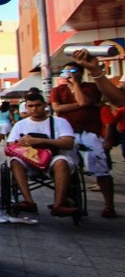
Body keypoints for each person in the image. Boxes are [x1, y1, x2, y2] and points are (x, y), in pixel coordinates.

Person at [50, 61, 115, 218]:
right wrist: (81, 104)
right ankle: (66, 199)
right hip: (67, 133)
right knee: (66, 165)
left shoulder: (91, 88)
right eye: (65, 71)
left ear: (80, 72)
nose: (68, 74)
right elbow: (58, 108)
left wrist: (76, 86)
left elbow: (84, 101)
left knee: (101, 168)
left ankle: (109, 205)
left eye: (72, 70)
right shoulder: (57, 90)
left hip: (90, 132)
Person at [7, 92, 79, 217]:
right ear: (26, 107)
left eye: (38, 105)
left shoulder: (60, 122)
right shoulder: (20, 125)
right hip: (29, 160)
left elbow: (68, 143)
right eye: (30, 106)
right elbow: (10, 146)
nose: (34, 108)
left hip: (54, 159)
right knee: (14, 161)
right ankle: (28, 201)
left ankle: (59, 204)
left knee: (61, 162)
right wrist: (21, 144)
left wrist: (41, 141)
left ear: (45, 105)